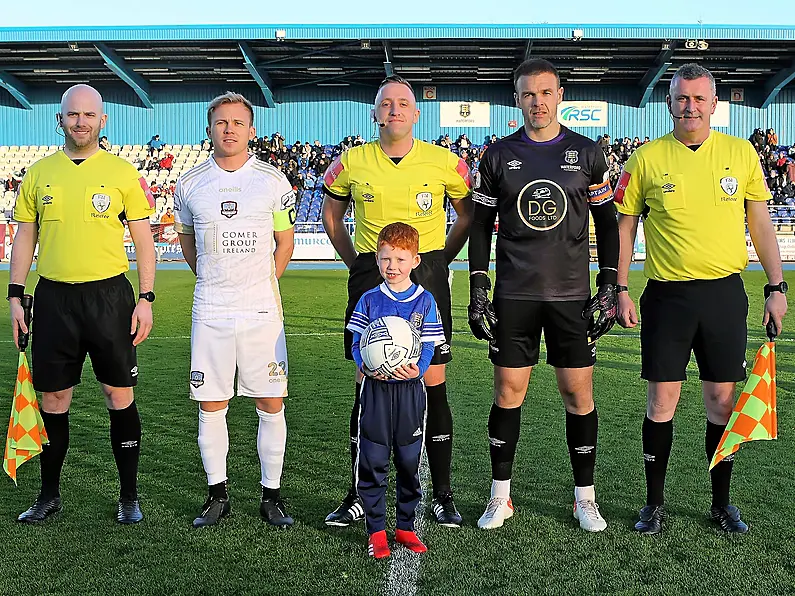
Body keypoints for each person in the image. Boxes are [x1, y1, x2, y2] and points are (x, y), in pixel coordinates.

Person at [614, 63, 788, 535]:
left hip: (724, 295)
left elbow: (761, 224)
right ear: (669, 103)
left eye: (699, 98)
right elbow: (625, 227)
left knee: (721, 401)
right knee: (661, 401)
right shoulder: (646, 159)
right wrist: (621, 287)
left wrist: (776, 287)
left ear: (713, 105)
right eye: (681, 98)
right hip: (667, 298)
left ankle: (721, 503)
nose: (690, 106)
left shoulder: (741, 154)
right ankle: (654, 504)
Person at [467, 59, 619, 532]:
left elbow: (608, 223)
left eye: (546, 92)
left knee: (577, 393)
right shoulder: (496, 156)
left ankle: (585, 499)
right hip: (516, 294)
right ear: (517, 99)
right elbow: (479, 227)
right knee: (508, 392)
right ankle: (500, 497)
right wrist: (478, 284)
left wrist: (609, 283)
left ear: (559, 96)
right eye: (528, 94)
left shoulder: (588, 153)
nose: (538, 101)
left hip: (571, 296)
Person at [322, 75, 473, 528]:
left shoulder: (447, 162)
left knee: (431, 381)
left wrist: (442, 257)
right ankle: (357, 494)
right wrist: (356, 263)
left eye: (402, 103)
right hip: (372, 272)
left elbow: (466, 214)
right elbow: (332, 213)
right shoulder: (350, 161)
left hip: (427, 274)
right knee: (367, 382)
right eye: (385, 104)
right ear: (374, 113)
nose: (394, 110)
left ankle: (442, 493)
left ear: (416, 112)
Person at [10, 84, 156, 524]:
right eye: (73, 114)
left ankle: (128, 496)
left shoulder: (122, 173)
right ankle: (48, 495)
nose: (80, 122)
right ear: (60, 120)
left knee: (118, 393)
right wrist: (16, 296)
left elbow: (144, 241)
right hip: (54, 297)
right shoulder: (38, 173)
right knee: (53, 398)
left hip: (110, 296)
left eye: (89, 115)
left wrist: (145, 297)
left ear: (102, 121)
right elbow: (24, 238)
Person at [175, 92, 296, 528]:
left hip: (261, 310)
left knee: (271, 400)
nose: (229, 129)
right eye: (221, 122)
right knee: (211, 403)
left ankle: (271, 496)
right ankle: (217, 496)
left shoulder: (272, 181)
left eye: (237, 123)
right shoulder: (189, 183)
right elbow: (187, 241)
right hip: (211, 308)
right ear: (209, 129)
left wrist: (264, 284)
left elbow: (285, 242)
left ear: (250, 130)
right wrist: (211, 278)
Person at [347, 222, 444, 558]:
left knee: (407, 460)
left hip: (409, 394)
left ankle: (405, 527)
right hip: (375, 391)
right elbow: (357, 341)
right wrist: (366, 364)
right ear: (377, 259)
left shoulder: (425, 300)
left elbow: (430, 343)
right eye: (386, 259)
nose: (393, 267)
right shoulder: (370, 299)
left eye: (401, 260)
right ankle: (376, 530)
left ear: (415, 261)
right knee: (372, 459)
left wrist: (420, 368)